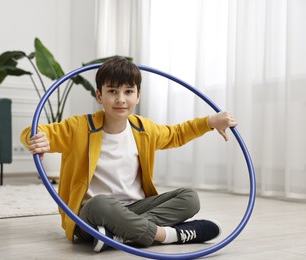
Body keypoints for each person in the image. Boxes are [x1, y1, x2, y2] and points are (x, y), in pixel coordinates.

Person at [20, 57, 237, 252]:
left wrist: (209, 122)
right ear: (99, 95)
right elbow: (34, 132)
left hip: (134, 207)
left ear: (138, 96)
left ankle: (121, 236)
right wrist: (38, 139)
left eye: (128, 92)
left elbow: (176, 134)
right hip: (90, 217)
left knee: (190, 198)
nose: (120, 99)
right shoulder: (78, 127)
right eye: (112, 91)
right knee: (100, 203)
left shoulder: (144, 129)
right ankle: (168, 235)